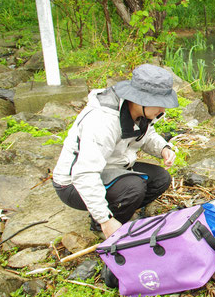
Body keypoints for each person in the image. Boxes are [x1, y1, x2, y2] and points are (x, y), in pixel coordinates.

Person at [52, 64, 178, 238]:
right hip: (72, 184)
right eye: (159, 104)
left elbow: (146, 135)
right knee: (134, 187)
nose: (162, 110)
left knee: (161, 178)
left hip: (112, 167)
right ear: (141, 99)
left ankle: (120, 212)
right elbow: (84, 174)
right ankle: (105, 225)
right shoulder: (103, 121)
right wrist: (105, 220)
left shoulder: (137, 112)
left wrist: (163, 148)